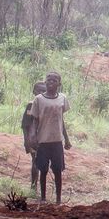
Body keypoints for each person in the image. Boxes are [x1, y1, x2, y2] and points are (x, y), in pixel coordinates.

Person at [29, 72, 71, 203]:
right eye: (48, 80)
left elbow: (61, 120)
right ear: (45, 82)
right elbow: (34, 120)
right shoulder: (39, 100)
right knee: (43, 169)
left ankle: (58, 199)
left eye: (54, 80)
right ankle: (43, 198)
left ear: (59, 84)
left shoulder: (62, 98)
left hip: (57, 140)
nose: (51, 82)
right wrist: (33, 136)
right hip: (43, 140)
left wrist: (67, 139)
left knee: (58, 170)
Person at [21, 81, 47, 192]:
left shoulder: (48, 104)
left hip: (46, 138)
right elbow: (25, 125)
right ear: (33, 92)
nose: (41, 93)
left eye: (43, 90)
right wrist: (27, 140)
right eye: (38, 90)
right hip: (34, 139)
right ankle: (33, 187)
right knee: (35, 162)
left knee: (44, 163)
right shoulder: (31, 105)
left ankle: (40, 188)